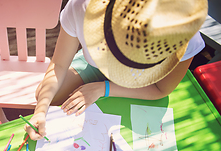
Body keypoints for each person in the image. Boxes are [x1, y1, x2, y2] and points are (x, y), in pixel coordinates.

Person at [25, 0, 208, 140]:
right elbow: (59, 65)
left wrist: (103, 89)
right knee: (47, 96)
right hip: (95, 70)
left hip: (144, 88)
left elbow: (161, 89)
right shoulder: (82, 8)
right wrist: (40, 110)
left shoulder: (183, 35)